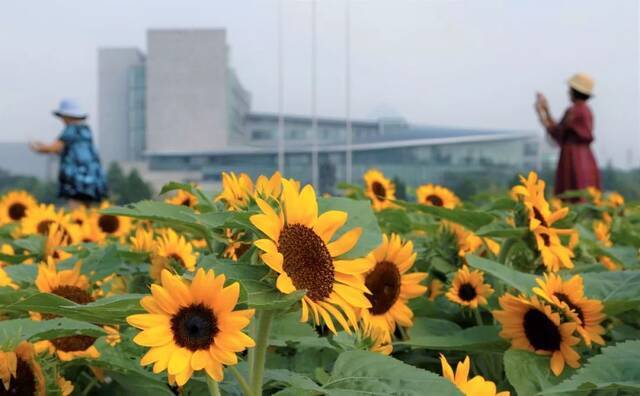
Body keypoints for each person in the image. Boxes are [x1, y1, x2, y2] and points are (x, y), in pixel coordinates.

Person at [30, 99, 108, 208]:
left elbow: (54, 148)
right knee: (87, 208)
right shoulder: (86, 130)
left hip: (76, 176)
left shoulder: (70, 130)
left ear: (67, 116)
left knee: (76, 207)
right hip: (91, 175)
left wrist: (38, 148)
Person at [535, 73, 600, 197]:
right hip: (587, 156)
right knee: (587, 194)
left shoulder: (574, 110)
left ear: (574, 91)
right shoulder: (587, 110)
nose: (568, 92)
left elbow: (557, 132)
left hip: (572, 156)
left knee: (570, 193)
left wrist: (542, 113)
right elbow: (560, 129)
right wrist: (546, 111)